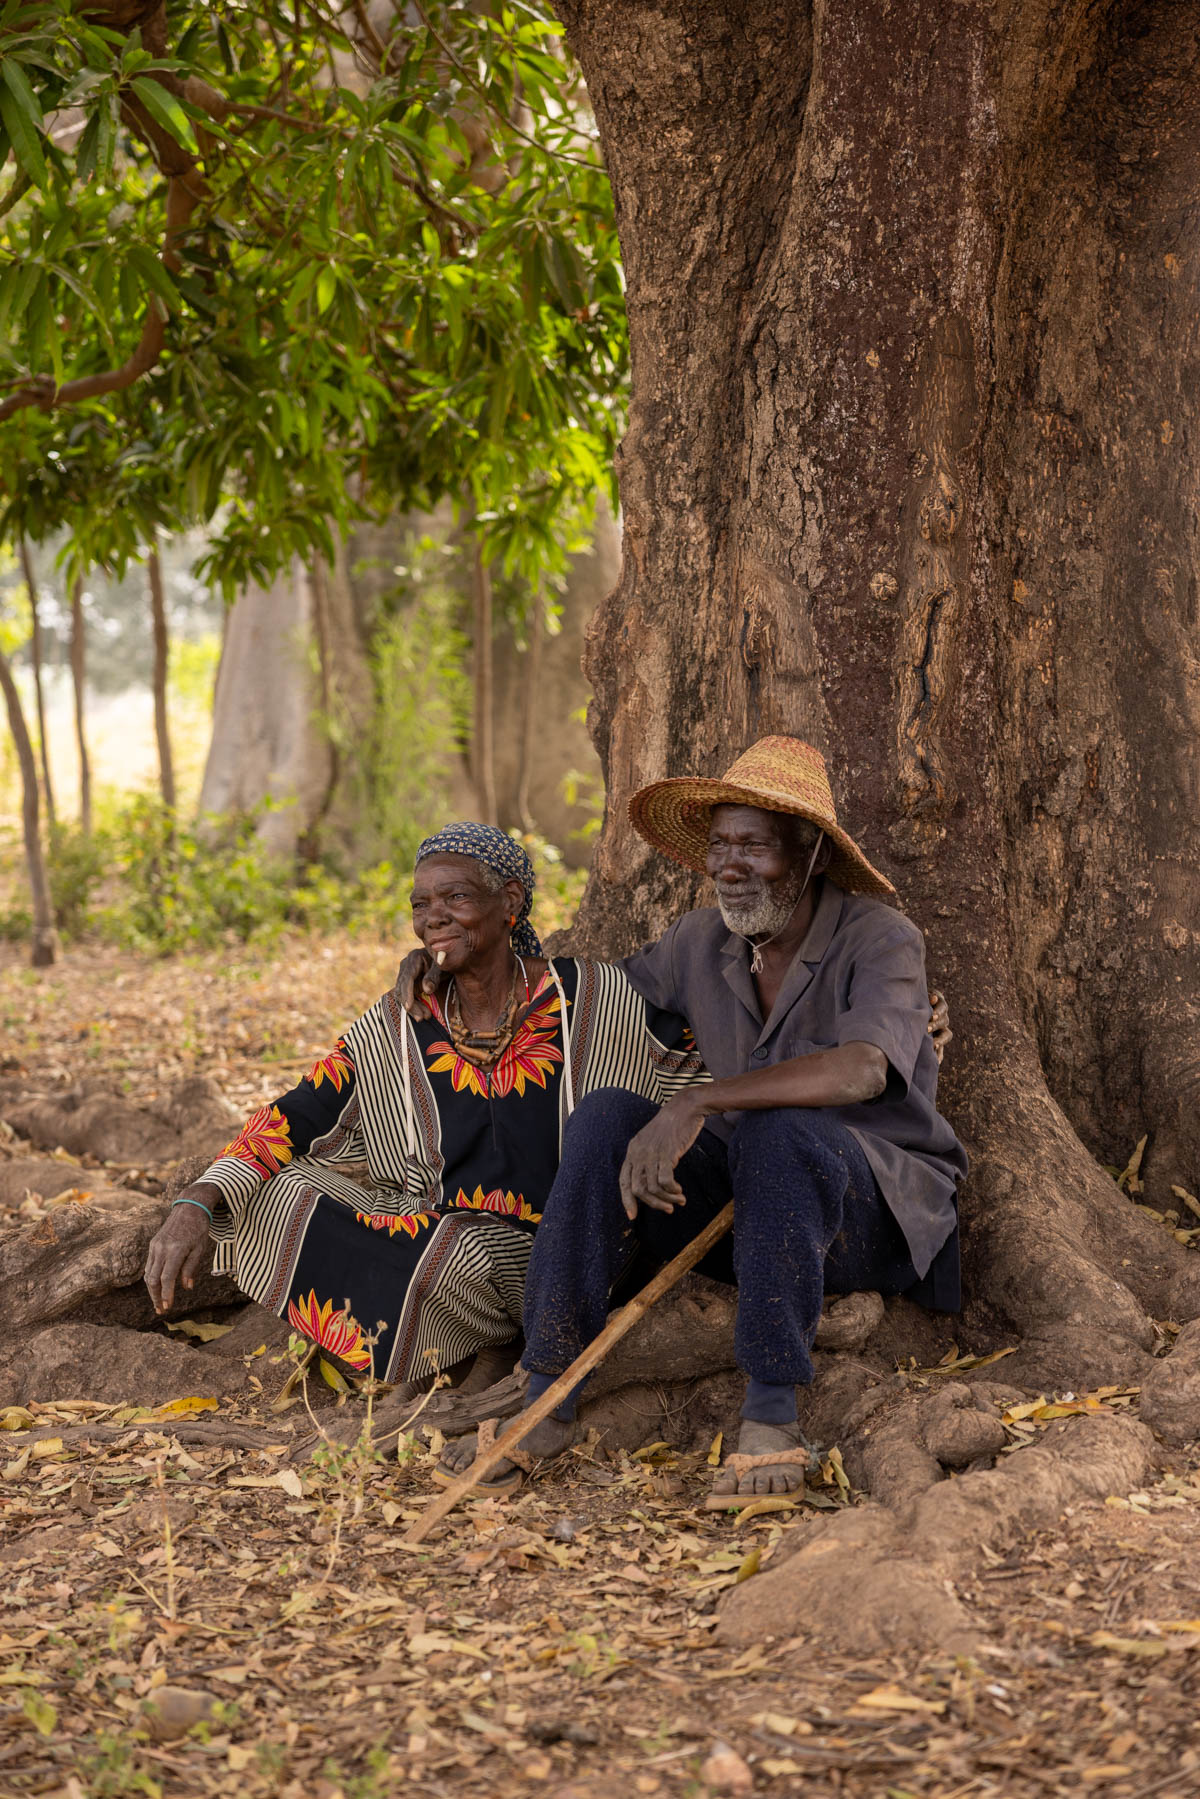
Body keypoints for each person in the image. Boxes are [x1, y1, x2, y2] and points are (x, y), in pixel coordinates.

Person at [435, 737, 967, 1507]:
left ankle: (772, 1414)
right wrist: (466, 956)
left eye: (754, 845)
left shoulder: (880, 938)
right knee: (607, 1117)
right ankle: (547, 1396)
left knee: (781, 1132)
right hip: (748, 1210)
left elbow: (863, 1069)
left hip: (866, 1210)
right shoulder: (700, 941)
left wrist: (700, 1101)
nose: (729, 865)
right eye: (720, 845)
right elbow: (583, 998)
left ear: (811, 852)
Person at [143, 825, 705, 1390]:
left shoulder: (597, 995)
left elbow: (699, 1077)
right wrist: (198, 1199)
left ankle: (486, 1348)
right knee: (277, 1194)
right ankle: (475, 1348)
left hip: (574, 1254)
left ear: (509, 900)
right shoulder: (401, 1017)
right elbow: (300, 1113)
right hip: (444, 1236)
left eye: (456, 897)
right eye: (421, 904)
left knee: (447, 1254)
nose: (434, 916)